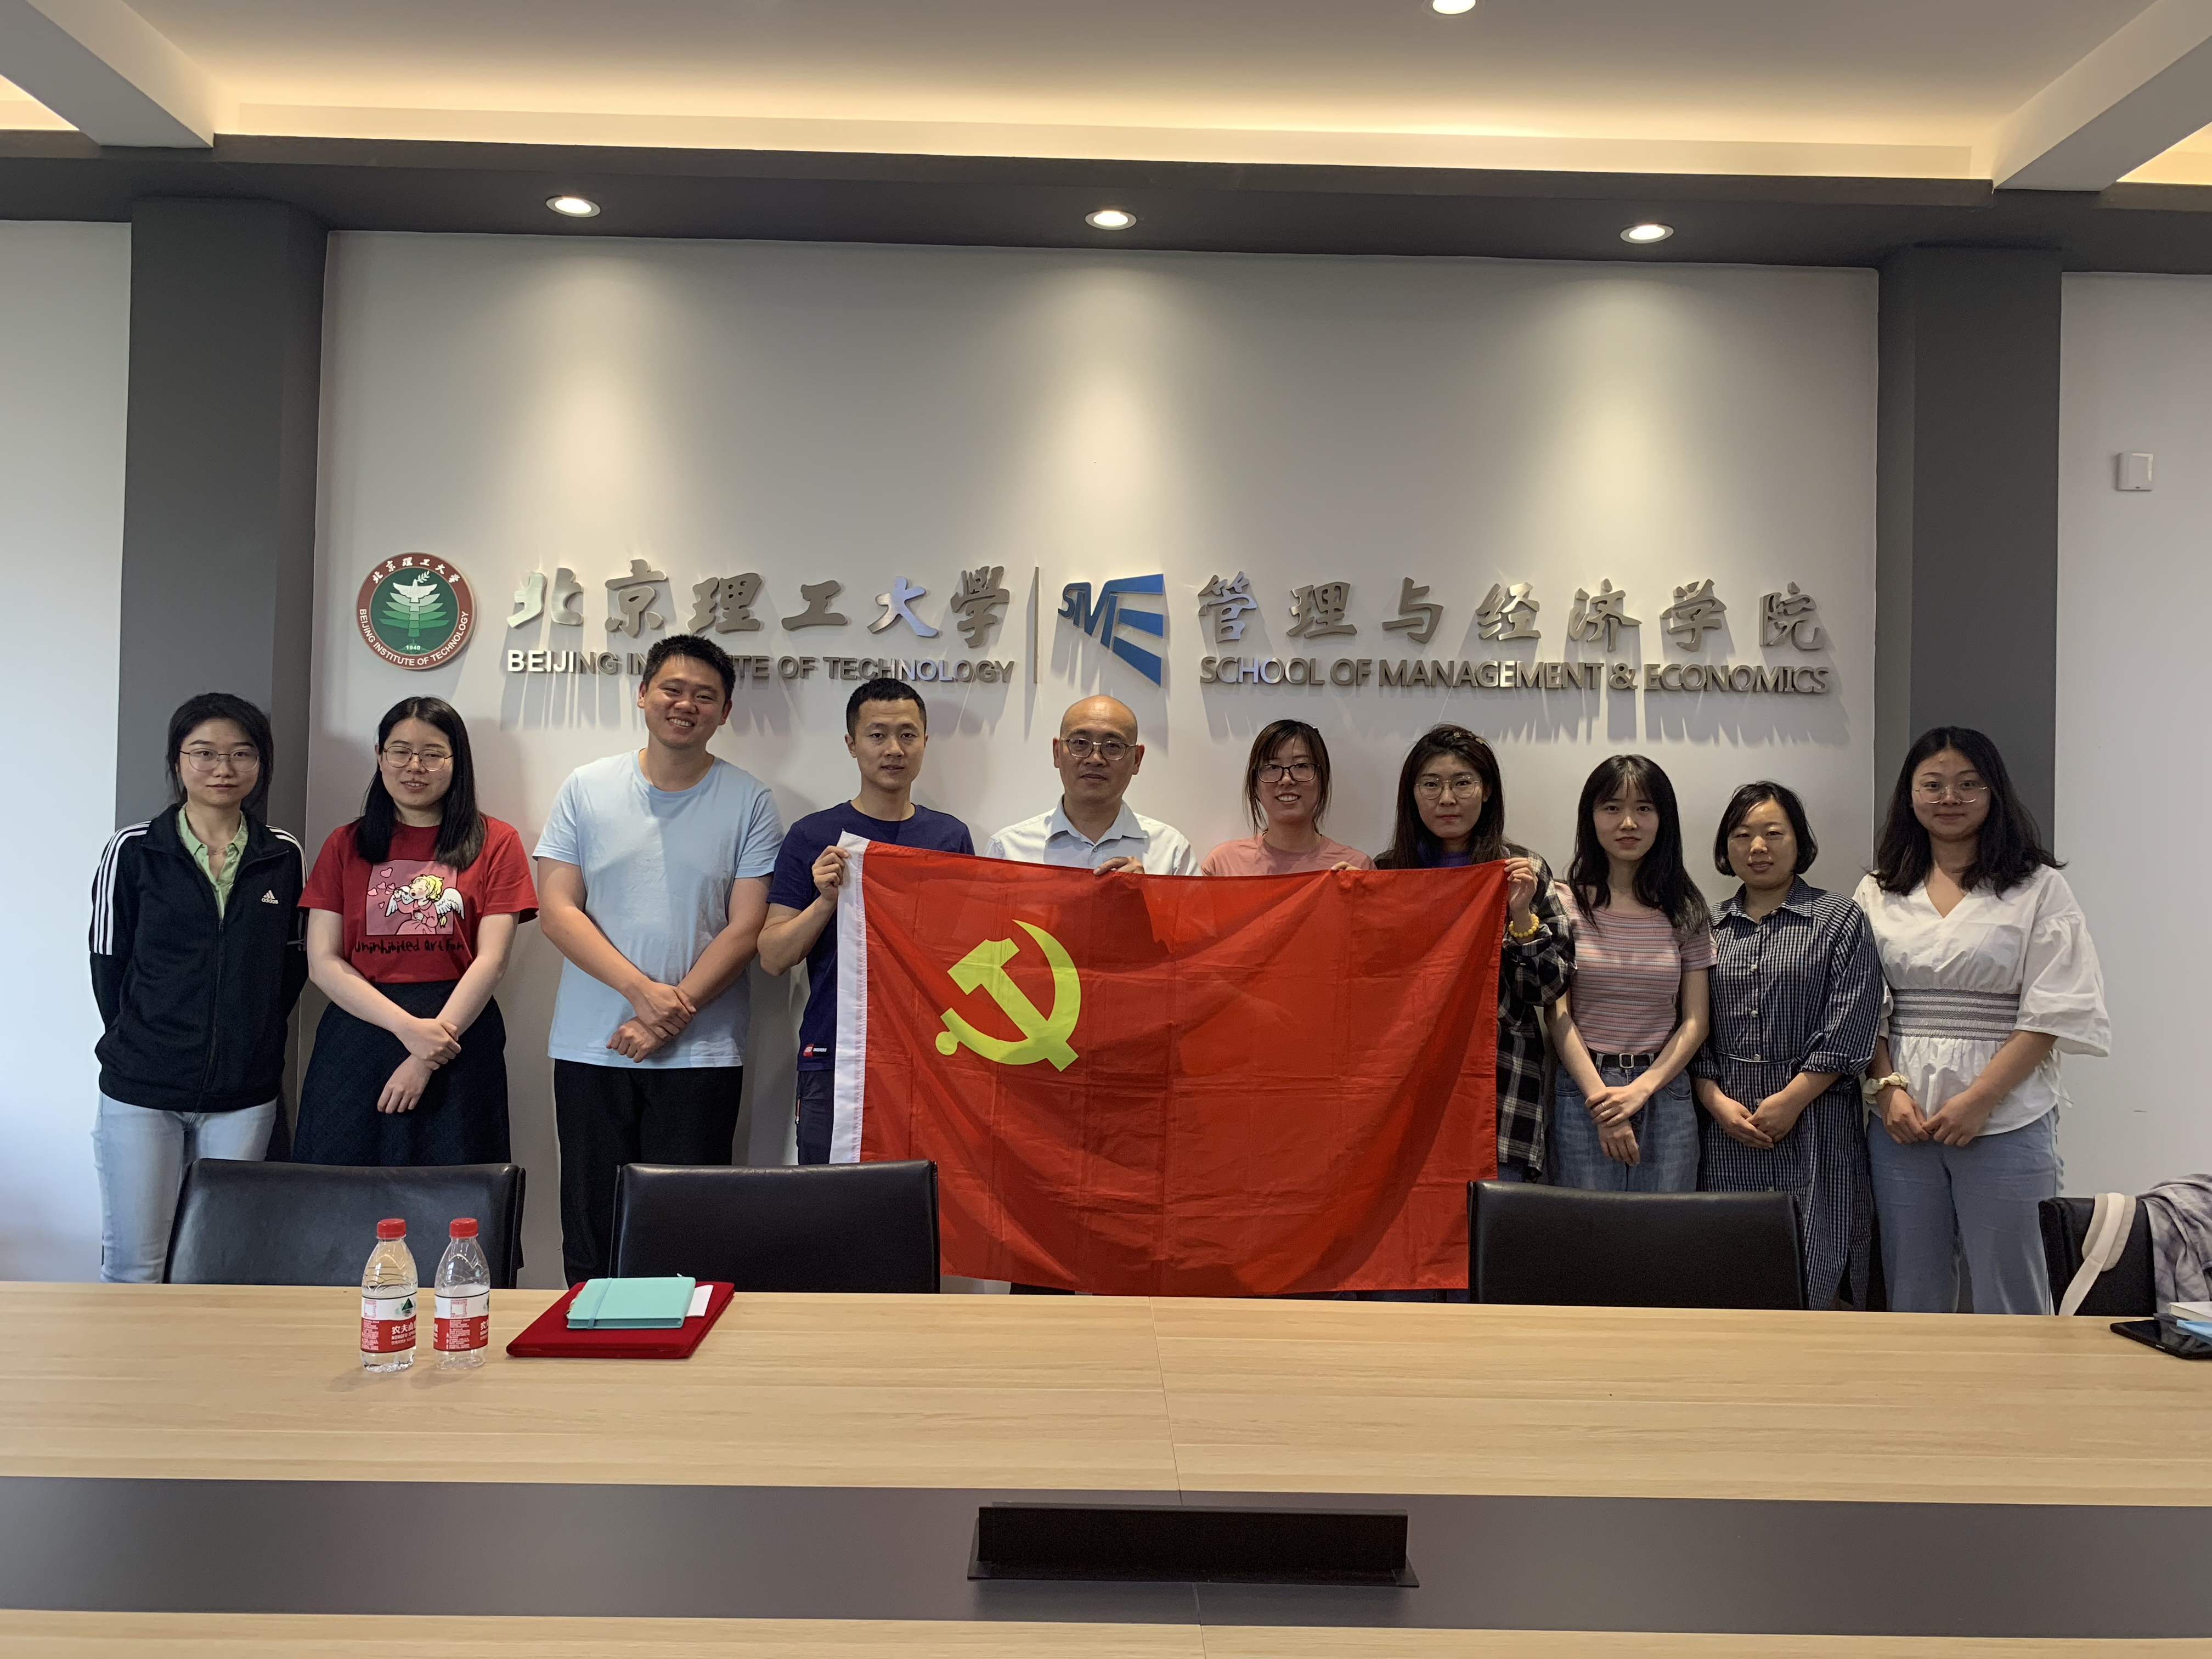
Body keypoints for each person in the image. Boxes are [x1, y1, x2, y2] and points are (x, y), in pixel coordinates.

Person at [535, 634, 785, 1284]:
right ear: (643, 694)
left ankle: (682, 1341)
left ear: (725, 712)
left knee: (689, 1228)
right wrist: (642, 993)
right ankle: (588, 1336)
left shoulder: (750, 799)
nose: (685, 704)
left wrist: (669, 1015)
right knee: (591, 1224)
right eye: (672, 689)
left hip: (703, 1053)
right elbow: (557, 910)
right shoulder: (587, 788)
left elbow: (747, 926)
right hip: (593, 1046)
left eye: (705, 696)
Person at [1854, 727, 2108, 1314]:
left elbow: (2053, 1008)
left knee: (2012, 1286)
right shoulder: (1879, 889)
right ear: (1910, 795)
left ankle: (2018, 1382)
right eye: (1933, 785)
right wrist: (1887, 1089)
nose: (1950, 798)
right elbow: (1862, 1001)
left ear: (1994, 792)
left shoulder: (2037, 887)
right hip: (1902, 1121)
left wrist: (1981, 1099)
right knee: (1911, 1287)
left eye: (1968, 784)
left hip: (2007, 1115)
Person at [87, 693, 306, 1282]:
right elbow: (108, 964)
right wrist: (146, 1037)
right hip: (142, 1091)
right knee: (136, 1264)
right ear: (177, 760)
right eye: (204, 753)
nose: (223, 769)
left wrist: (252, 1034)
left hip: (243, 1094)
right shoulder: (133, 850)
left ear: (260, 763)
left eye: (241, 754)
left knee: (219, 1268)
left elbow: (291, 967)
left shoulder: (282, 856)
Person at [296, 697, 536, 1166]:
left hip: (457, 1030)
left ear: (456, 761)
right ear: (379, 755)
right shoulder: (345, 843)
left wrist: (427, 1054)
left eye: (432, 754)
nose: (415, 766)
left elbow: (492, 961)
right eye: (400, 751)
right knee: (342, 1181)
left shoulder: (496, 841)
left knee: (455, 1185)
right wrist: (407, 1029)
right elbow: (322, 962)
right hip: (360, 1029)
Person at [760, 677, 972, 1165]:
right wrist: (825, 902)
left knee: (921, 1199)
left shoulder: (949, 838)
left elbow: (964, 953)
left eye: (907, 735)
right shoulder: (813, 835)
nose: (893, 749)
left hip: (926, 1054)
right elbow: (773, 957)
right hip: (835, 1052)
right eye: (877, 735)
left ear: (924, 742)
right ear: (852, 744)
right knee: (828, 1200)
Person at [1693, 782, 1882, 1307]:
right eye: (1742, 835)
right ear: (1726, 847)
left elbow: (1853, 1019)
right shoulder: (1707, 926)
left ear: (1799, 841)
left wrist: (1791, 1101)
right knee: (1730, 1266)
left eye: (1773, 833)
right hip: (1727, 1123)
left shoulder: (1839, 920)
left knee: (1814, 1265)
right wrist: (1714, 1101)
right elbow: (1689, 1023)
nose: (1758, 847)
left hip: (1817, 1118)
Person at [1373, 725, 1564, 1183]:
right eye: (1431, 784)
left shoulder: (1522, 871)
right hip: (1406, 1092)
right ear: (1411, 794)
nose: (1447, 799)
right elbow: (1365, 990)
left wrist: (1521, 916)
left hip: (1500, 1091)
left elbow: (1548, 988)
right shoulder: (1387, 874)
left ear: (1487, 790)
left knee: (1494, 1222)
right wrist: (1344, 904)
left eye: (1463, 782)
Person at [1549, 753, 1714, 1192]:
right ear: (1590, 818)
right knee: (1588, 1229)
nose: (1628, 823)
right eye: (1612, 808)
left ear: (1664, 819)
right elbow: (1558, 1014)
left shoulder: (1685, 908)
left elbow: (1696, 1022)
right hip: (1584, 1091)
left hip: (1665, 1092)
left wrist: (1642, 1089)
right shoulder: (1563, 904)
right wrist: (1603, 1104)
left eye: (1644, 808)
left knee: (1665, 1230)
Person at [985, 695, 1198, 876]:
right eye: (1080, 743)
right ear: (1057, 753)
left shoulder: (1173, 853)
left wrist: (1150, 895)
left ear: (1137, 759)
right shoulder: (1007, 851)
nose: (1095, 759)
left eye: (1113, 746)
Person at [1201, 720, 1372, 876]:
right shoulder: (1223, 866)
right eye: (1272, 767)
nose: (1286, 780)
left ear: (1322, 780)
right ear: (1255, 786)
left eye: (1301, 766)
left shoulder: (1357, 867)